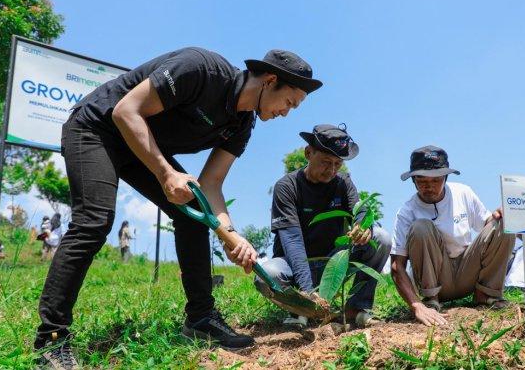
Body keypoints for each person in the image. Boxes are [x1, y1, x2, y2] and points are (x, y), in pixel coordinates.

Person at [34, 47, 322, 368]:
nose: (287, 112)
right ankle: (51, 338)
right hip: (97, 128)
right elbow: (126, 111)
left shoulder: (241, 125)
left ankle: (201, 321)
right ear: (270, 81)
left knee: (192, 217)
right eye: (289, 102)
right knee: (95, 219)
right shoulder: (200, 70)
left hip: (138, 147)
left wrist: (232, 237)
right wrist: (165, 172)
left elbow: (210, 185)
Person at [255, 124, 391, 328]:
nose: (332, 170)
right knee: (267, 275)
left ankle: (356, 308)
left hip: (333, 262)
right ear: (308, 153)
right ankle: (300, 310)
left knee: (380, 238)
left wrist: (363, 226)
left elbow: (360, 210)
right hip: (294, 265)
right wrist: (308, 292)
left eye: (338, 164)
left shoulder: (343, 182)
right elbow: (292, 241)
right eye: (326, 162)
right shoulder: (286, 187)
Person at [389, 146, 514, 327]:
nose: (429, 187)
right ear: (413, 181)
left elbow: (488, 226)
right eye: (421, 181)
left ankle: (486, 294)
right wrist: (416, 306)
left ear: (445, 178)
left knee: (504, 222)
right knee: (421, 227)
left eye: (436, 180)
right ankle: (431, 300)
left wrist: (502, 215)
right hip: (436, 279)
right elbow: (396, 266)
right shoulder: (407, 212)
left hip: (468, 272)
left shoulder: (463, 193)